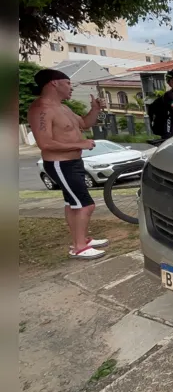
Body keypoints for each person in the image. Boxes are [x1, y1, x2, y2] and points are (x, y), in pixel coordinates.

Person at [27, 69, 109, 259]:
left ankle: (80, 240)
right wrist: (80, 144)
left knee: (73, 204)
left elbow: (85, 124)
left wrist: (95, 109)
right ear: (54, 83)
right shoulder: (41, 108)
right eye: (68, 83)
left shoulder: (63, 107)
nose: (71, 88)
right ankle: (79, 247)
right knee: (85, 205)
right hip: (60, 164)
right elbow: (45, 143)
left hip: (74, 162)